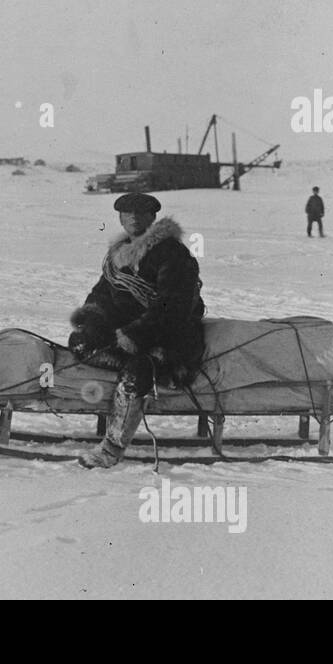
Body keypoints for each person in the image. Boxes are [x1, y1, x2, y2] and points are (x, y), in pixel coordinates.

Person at [67, 193, 206, 468]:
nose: (134, 218)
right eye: (128, 213)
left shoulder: (172, 253)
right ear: (120, 217)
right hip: (128, 332)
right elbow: (102, 292)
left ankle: (112, 449)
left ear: (153, 218)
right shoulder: (118, 254)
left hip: (170, 337)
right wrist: (93, 318)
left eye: (141, 213)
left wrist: (134, 336)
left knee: (138, 370)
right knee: (81, 342)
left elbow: (172, 308)